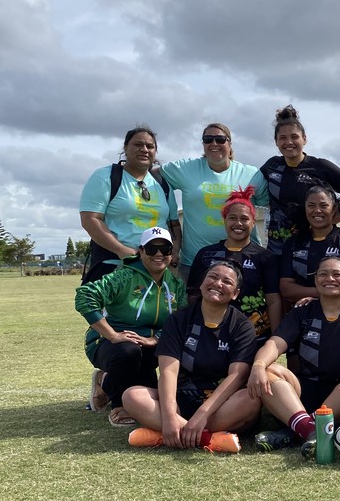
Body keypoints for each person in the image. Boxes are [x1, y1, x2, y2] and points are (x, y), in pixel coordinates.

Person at [122, 260, 260, 453]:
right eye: (213, 277)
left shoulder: (242, 326)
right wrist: (170, 415)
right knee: (132, 396)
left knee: (252, 399)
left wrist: (202, 414)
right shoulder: (178, 320)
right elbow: (168, 371)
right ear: (202, 283)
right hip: (180, 399)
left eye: (227, 281)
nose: (218, 284)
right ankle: (207, 439)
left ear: (235, 293)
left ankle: (166, 434)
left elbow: (237, 376)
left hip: (218, 405)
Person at [247, 255, 340, 452]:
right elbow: (275, 344)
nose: (330, 279)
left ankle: (294, 431)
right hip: (304, 392)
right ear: (315, 280)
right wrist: (257, 366)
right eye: (323, 274)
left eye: (337, 274)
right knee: (268, 369)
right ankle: (312, 429)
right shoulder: (302, 310)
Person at [75, 227, 186, 427]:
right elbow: (85, 296)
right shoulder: (124, 276)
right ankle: (118, 405)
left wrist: (157, 338)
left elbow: (182, 319)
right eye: (152, 249)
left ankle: (105, 383)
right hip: (113, 345)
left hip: (150, 346)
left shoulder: (176, 284)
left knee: (152, 388)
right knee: (129, 351)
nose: (159, 254)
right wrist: (112, 335)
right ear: (141, 251)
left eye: (165, 249)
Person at [79, 125, 181, 284]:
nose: (144, 149)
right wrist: (122, 251)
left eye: (150, 146)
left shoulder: (162, 183)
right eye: (138, 144)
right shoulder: (105, 177)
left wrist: (174, 250)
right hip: (113, 266)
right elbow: (90, 220)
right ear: (125, 148)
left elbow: (173, 224)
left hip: (156, 270)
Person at [159, 123, 260, 279]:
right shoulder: (186, 169)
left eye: (220, 139)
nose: (214, 143)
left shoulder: (252, 174)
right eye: (208, 139)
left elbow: (271, 206)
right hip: (195, 262)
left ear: (230, 143)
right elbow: (151, 174)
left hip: (243, 260)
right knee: (193, 304)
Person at [252, 105, 340, 254]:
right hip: (276, 250)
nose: (289, 142)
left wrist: (338, 216)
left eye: (294, 137)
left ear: (304, 139)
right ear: (276, 142)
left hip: (313, 248)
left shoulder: (319, 166)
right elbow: (248, 184)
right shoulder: (272, 165)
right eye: (283, 138)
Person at [187, 188, 281, 344]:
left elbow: (273, 300)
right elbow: (193, 295)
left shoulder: (265, 257)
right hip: (211, 334)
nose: (238, 223)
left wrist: (276, 340)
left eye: (244, 219)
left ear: (252, 221)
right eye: (232, 218)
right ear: (224, 220)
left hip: (254, 336)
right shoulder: (205, 254)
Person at [279, 185, 340, 307]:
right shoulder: (293, 242)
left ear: (334, 208)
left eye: (323, 205)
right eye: (311, 206)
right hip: (302, 312)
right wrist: (326, 292)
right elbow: (286, 288)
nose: (317, 210)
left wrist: (321, 294)